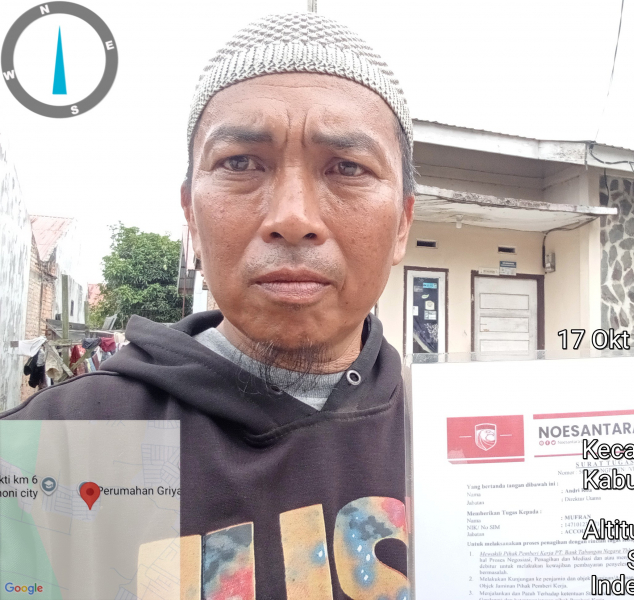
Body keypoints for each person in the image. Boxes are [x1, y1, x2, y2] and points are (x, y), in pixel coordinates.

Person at [1, 13, 414, 599]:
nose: (292, 218)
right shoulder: (57, 451)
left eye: (347, 167)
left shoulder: (455, 441)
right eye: (241, 163)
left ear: (402, 224)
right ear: (190, 216)